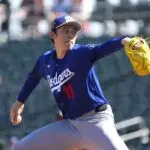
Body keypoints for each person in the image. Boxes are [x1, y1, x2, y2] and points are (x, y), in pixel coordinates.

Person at [10, 15, 136, 150]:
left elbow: (101, 48)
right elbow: (33, 78)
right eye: (65, 31)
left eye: (73, 32)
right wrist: (19, 103)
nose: (70, 35)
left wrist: (124, 40)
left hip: (96, 121)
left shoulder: (81, 53)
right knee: (20, 147)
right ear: (53, 34)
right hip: (70, 126)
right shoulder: (45, 60)